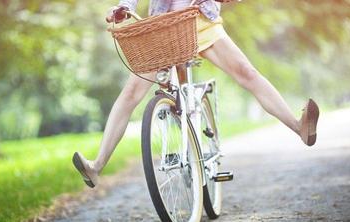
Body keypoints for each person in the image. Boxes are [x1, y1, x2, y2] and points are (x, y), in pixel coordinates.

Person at [72, 0, 320, 188]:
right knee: (130, 94)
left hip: (200, 19)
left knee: (247, 73)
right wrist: (124, 5)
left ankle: (299, 127)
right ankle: (96, 166)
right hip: (164, 27)